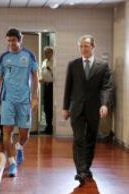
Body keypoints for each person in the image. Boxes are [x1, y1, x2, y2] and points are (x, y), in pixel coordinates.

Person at [63, 35, 113, 185]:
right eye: (81, 46)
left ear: (93, 47)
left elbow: (106, 87)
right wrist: (65, 107)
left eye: (86, 46)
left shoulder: (102, 66)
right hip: (76, 108)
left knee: (91, 139)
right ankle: (81, 170)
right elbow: (68, 87)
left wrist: (104, 104)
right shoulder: (73, 65)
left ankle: (87, 168)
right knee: (78, 138)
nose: (83, 49)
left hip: (94, 108)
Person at [0, 28, 38, 177]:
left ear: (20, 40)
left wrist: (34, 98)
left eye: (14, 40)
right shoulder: (4, 57)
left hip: (24, 101)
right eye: (9, 40)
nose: (11, 43)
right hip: (8, 101)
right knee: (7, 132)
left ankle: (19, 147)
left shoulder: (29, 55)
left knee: (25, 135)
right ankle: (12, 163)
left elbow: (36, 78)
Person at [39, 46, 54, 134]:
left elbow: (54, 76)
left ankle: (51, 127)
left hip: (52, 87)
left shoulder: (54, 62)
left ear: (52, 53)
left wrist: (50, 70)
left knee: (50, 107)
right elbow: (42, 72)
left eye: (48, 52)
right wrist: (41, 78)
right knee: (46, 107)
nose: (46, 54)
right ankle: (48, 126)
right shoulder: (44, 62)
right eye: (45, 52)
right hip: (45, 86)